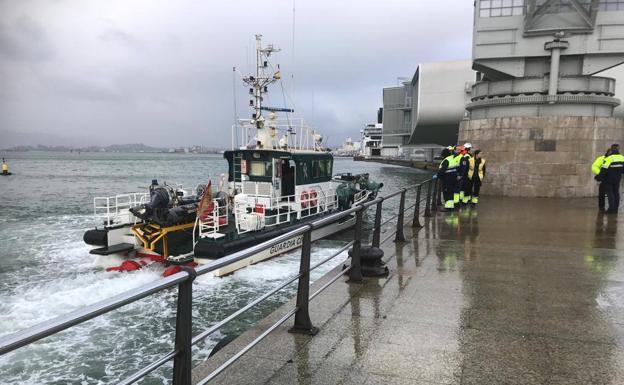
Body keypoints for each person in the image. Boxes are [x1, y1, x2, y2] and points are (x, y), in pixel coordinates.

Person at [598, 144, 624, 214]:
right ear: (618, 149)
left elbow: (603, 170)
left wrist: (599, 177)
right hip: (617, 179)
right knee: (616, 193)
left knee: (610, 194)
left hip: (608, 179)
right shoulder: (622, 157)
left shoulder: (609, 158)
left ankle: (611, 209)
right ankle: (616, 209)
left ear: (612, 150)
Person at [437, 147, 460, 211]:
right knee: (451, 192)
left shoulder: (446, 160)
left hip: (447, 179)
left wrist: (437, 175)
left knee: (447, 192)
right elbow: (457, 168)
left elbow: (442, 171)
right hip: (453, 178)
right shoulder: (452, 158)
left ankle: (448, 208)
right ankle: (450, 206)